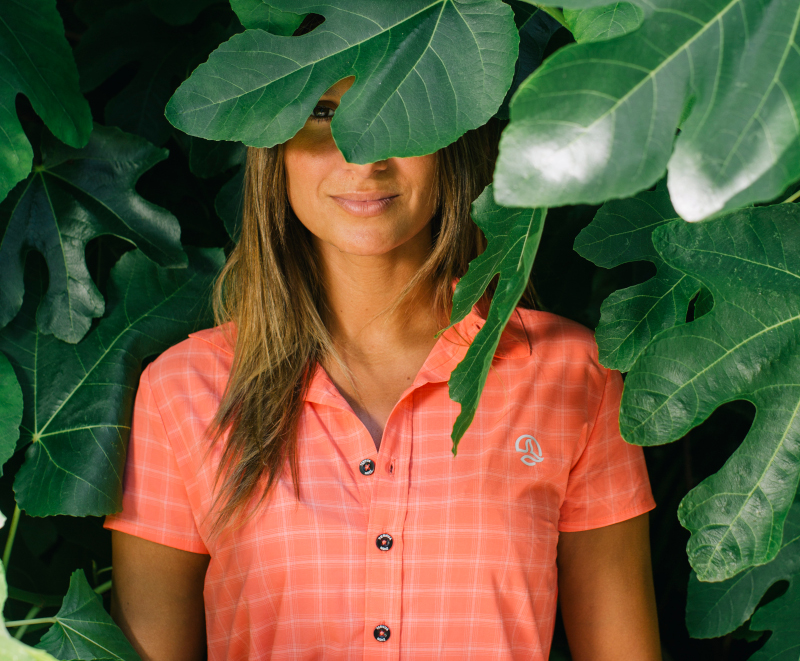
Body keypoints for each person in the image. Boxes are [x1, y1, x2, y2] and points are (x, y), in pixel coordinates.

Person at [106, 75, 661, 661]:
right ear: (274, 148)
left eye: (402, 105)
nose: (364, 155)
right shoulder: (183, 391)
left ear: (452, 139)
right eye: (323, 113)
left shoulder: (572, 374)